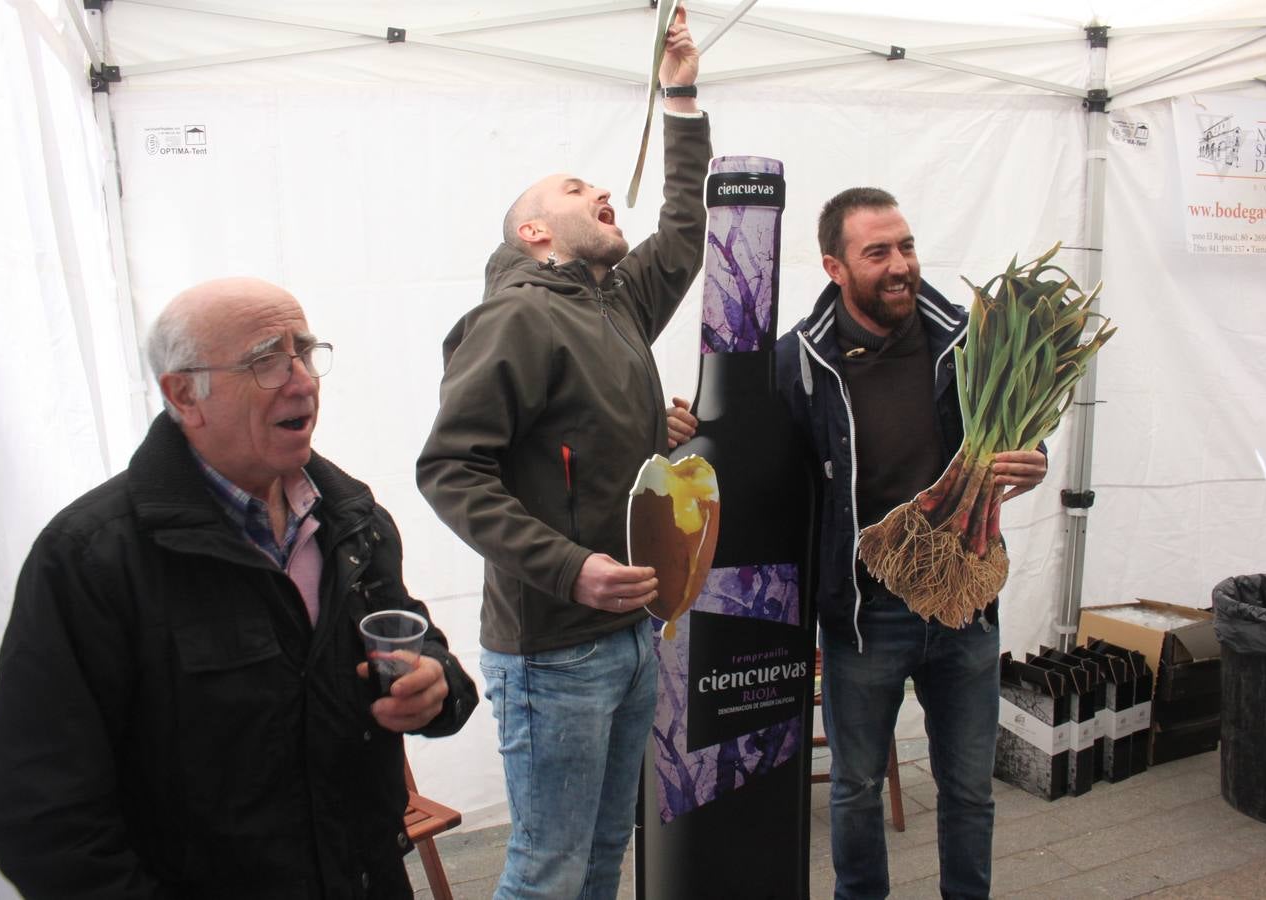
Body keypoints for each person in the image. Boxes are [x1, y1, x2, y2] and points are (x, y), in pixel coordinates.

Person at [0, 277, 477, 899]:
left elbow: (427, 652)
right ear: (185, 394)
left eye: (305, 351)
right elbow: (40, 817)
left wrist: (436, 684)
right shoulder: (91, 558)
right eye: (265, 360)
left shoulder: (352, 522)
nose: (301, 380)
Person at [414, 9, 707, 898]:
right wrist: (571, 567)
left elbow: (685, 231)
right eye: (577, 190)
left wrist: (681, 97)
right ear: (534, 233)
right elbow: (450, 468)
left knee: (602, 859)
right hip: (553, 650)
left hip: (625, 634)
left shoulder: (610, 305)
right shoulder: (519, 315)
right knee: (547, 867)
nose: (600, 196)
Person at [774, 188, 1048, 899]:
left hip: (964, 609)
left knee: (968, 790)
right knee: (857, 788)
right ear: (835, 266)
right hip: (865, 618)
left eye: (906, 246)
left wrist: (1034, 456)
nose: (901, 265)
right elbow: (774, 484)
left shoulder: (970, 339)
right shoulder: (798, 364)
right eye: (878, 253)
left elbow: (1022, 430)